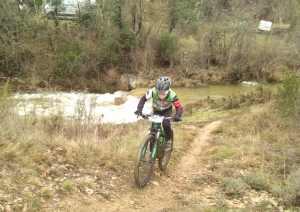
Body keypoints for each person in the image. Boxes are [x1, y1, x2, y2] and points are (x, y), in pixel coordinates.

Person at [134, 76, 183, 151]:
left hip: (167, 110)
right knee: (153, 129)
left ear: (168, 90)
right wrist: (139, 110)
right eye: (159, 93)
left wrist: (177, 115)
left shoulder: (173, 95)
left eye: (163, 94)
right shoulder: (153, 91)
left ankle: (168, 140)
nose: (161, 96)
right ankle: (152, 152)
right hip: (156, 110)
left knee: (166, 124)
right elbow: (143, 99)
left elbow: (179, 107)